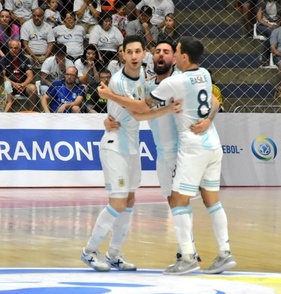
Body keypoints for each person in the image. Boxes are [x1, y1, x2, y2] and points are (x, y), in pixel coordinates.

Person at [99, 40, 220, 266]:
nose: (161, 55)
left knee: (181, 201)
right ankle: (188, 251)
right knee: (174, 201)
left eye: (166, 52)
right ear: (152, 57)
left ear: (175, 57)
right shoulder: (147, 85)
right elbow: (136, 107)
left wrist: (208, 120)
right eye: (158, 52)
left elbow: (214, 99)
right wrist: (108, 117)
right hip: (162, 153)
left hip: (183, 151)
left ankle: (189, 252)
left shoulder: (182, 82)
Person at [80, 35, 177, 272]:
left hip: (132, 145)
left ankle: (114, 253)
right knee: (118, 201)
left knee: (130, 201)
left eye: (138, 51)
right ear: (122, 54)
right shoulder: (117, 82)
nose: (134, 56)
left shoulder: (144, 76)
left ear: (144, 54)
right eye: (129, 52)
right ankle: (90, 251)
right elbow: (139, 112)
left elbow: (143, 101)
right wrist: (168, 109)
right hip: (115, 145)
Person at [150, 37, 236, 275]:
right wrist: (208, 119)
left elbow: (145, 103)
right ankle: (224, 252)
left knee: (178, 201)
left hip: (192, 147)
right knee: (212, 201)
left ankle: (187, 256)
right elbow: (214, 101)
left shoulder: (175, 81)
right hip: (213, 144)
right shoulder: (206, 74)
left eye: (174, 52)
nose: (172, 56)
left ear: (184, 57)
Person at [2, 39, 40, 111]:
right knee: (6, 86)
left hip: (23, 85)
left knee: (32, 88)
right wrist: (14, 84)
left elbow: (30, 76)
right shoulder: (4, 60)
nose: (13, 50)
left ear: (20, 49)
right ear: (8, 48)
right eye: (11, 48)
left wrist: (23, 84)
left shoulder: (25, 59)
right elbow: (2, 76)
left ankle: (30, 111)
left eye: (16, 48)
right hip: (10, 85)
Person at [255, 0, 281, 66]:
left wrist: (277, 25)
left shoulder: (280, 3)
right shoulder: (262, 2)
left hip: (276, 25)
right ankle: (264, 58)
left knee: (274, 34)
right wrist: (269, 25)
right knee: (272, 34)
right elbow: (259, 19)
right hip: (263, 25)